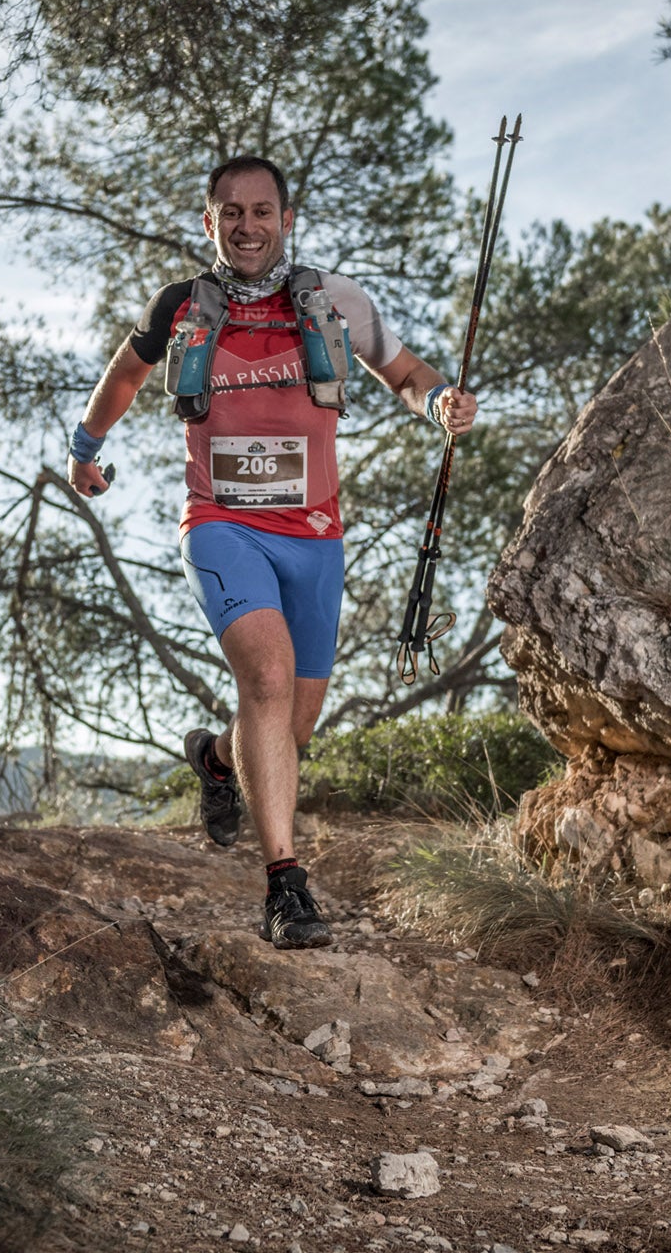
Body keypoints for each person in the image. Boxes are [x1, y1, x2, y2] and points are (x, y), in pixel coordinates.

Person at [68, 156, 476, 949]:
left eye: (263, 211)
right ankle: (285, 885)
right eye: (232, 213)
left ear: (287, 219)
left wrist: (439, 403)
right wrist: (87, 445)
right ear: (209, 221)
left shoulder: (336, 302)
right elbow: (126, 370)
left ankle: (217, 760)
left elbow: (403, 372)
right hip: (220, 524)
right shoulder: (182, 306)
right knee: (266, 675)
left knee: (292, 722)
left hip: (316, 537)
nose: (247, 226)